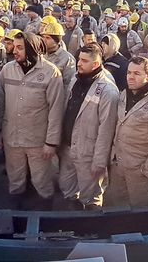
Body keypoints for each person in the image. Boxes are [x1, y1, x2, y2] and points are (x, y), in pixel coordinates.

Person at [0, 32, 65, 209]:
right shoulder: (7, 70)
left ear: (32, 49)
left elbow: (56, 110)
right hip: (12, 137)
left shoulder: (51, 73)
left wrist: (51, 142)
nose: (15, 51)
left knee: (41, 179)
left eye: (20, 47)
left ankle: (46, 213)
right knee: (15, 178)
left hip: (37, 140)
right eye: (14, 46)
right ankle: (15, 214)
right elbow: (0, 102)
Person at [107, 56, 148, 208]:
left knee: (139, 211)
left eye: (137, 73)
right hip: (118, 166)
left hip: (139, 171)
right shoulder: (123, 95)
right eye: (129, 72)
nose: (131, 77)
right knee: (117, 206)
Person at [58, 44, 118, 210]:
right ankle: (71, 218)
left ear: (96, 64)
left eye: (84, 61)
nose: (79, 63)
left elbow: (107, 130)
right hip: (69, 147)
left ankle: (90, 227)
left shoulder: (108, 91)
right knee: (67, 188)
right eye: (79, 59)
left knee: (90, 196)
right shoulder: (76, 79)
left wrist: (100, 161)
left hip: (89, 153)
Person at [40, 21, 76, 89]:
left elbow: (68, 85)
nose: (44, 40)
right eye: (43, 37)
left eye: (48, 38)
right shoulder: (40, 55)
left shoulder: (68, 59)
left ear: (57, 40)